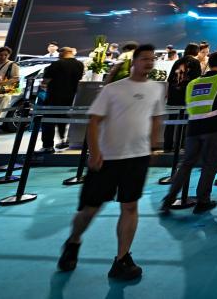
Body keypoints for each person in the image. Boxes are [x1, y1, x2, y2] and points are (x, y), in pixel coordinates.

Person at [57, 44, 166, 280]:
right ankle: (74, 241)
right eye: (144, 59)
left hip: (137, 158)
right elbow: (94, 121)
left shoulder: (156, 89)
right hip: (108, 158)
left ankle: (122, 258)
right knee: (90, 208)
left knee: (130, 206)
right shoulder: (113, 89)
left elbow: (157, 118)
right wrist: (95, 152)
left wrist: (153, 146)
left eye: (152, 59)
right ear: (134, 61)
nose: (149, 62)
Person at [161, 51, 217, 214]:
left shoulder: (193, 83)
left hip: (193, 127)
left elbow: (190, 104)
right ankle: (203, 200)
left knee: (186, 163)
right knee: (210, 164)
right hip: (214, 126)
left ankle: (169, 199)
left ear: (209, 63)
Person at [39, 47, 85, 153]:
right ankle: (63, 140)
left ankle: (47, 146)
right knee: (63, 120)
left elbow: (46, 80)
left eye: (60, 52)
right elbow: (79, 78)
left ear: (64, 52)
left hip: (54, 96)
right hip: (71, 97)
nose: (59, 54)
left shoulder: (57, 64)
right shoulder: (80, 64)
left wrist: (45, 85)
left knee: (48, 121)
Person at [164, 44, 202, 152]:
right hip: (187, 96)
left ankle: (167, 146)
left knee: (171, 121)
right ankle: (182, 145)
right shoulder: (195, 62)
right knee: (186, 121)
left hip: (174, 95)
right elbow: (197, 81)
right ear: (196, 51)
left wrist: (168, 94)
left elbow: (170, 79)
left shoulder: (177, 62)